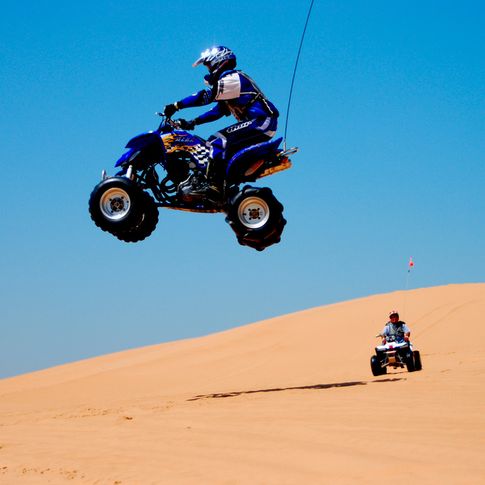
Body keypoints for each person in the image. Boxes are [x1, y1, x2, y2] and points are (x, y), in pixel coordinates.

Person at [163, 46, 279, 198]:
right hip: (257, 123)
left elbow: (206, 96)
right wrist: (192, 122)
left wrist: (177, 105)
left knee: (218, 140)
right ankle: (223, 184)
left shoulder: (233, 77)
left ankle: (214, 186)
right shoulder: (229, 84)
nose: (208, 69)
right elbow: (218, 111)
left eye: (209, 65)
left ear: (219, 61)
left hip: (261, 121)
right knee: (215, 143)